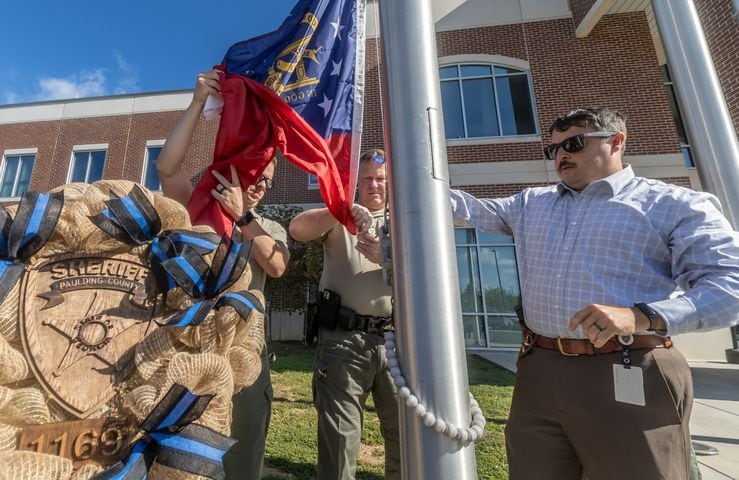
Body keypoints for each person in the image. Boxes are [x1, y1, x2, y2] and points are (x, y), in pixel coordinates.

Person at [450, 107, 739, 480]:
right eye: (552, 149)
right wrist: (403, 179)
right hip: (539, 369)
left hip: (629, 364)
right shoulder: (529, 204)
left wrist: (642, 316)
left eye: (572, 143)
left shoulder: (674, 205)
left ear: (616, 141)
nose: (560, 155)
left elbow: (730, 287)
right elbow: (466, 210)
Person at [157, 70, 290, 480]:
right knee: (180, 459)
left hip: (245, 359)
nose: (263, 184)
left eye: (269, 180)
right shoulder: (199, 212)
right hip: (188, 351)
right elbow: (166, 168)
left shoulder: (268, 226)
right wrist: (198, 103)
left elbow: (277, 264)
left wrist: (244, 216)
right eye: (257, 174)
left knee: (242, 459)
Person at [289, 149, 400, 480]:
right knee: (339, 440)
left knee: (404, 438)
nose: (375, 185)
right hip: (343, 343)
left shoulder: (407, 220)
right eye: (367, 179)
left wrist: (389, 258)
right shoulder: (343, 216)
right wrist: (338, 212)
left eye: (381, 179)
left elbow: (432, 276)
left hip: (399, 344)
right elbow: (297, 228)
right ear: (356, 183)